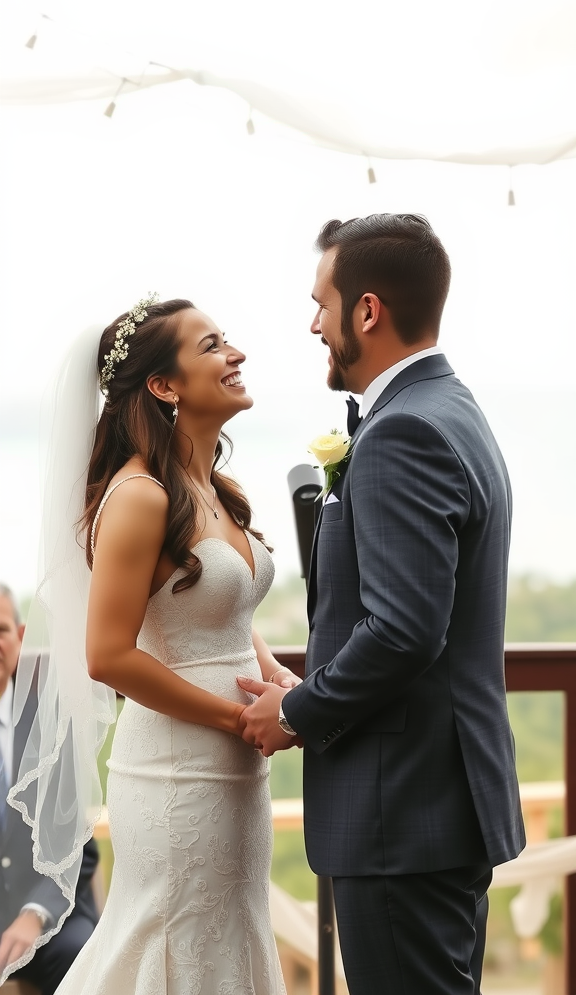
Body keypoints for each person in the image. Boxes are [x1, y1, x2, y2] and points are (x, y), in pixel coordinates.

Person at [238, 214, 526, 994]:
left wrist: (298, 712)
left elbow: (404, 629)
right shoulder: (452, 409)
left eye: (322, 304)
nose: (313, 324)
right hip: (433, 804)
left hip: (401, 809)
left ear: (367, 311)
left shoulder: (404, 433)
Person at [6, 297, 297, 993]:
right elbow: (108, 655)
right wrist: (237, 718)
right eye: (213, 346)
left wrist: (276, 676)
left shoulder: (212, 489)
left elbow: (215, 609)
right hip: (177, 775)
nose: (237, 355)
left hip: (236, 777)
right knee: (173, 941)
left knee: (227, 935)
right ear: (165, 386)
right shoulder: (138, 494)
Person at [0, 583, 99, 994]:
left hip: (49, 917)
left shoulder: (54, 728)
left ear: (20, 638)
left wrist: (34, 914)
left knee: (81, 953)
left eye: (0, 630)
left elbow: (78, 844)